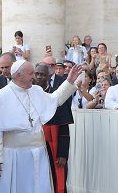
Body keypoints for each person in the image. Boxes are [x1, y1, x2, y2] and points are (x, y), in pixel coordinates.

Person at [0, 60, 82, 193]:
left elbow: (55, 100)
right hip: (13, 156)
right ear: (18, 75)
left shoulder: (36, 91)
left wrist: (69, 81)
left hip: (39, 153)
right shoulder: (0, 97)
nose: (34, 77)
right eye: (31, 73)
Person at [33, 63, 73, 193]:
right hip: (33, 146)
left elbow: (63, 128)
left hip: (53, 147)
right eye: (36, 74)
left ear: (49, 76)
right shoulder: (28, 93)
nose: (38, 77)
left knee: (56, 181)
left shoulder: (55, 97)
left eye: (42, 74)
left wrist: (63, 154)